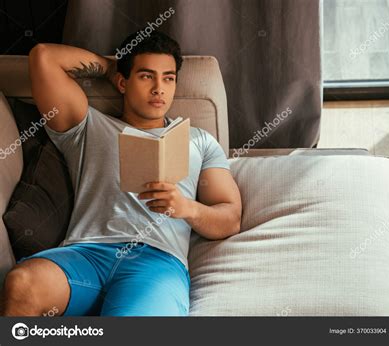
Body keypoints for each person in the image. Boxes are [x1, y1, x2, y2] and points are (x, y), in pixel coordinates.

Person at [1, 30, 242, 316]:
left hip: (155, 262)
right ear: (122, 82)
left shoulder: (199, 140)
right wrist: (111, 66)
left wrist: (186, 208)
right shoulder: (88, 126)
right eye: (145, 76)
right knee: (22, 283)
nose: (158, 89)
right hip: (85, 254)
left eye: (168, 77)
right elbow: (43, 56)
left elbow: (230, 217)